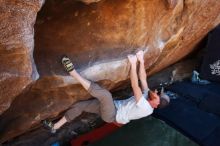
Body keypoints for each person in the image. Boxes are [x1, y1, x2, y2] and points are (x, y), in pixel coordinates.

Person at [43, 50, 169, 133]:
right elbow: (142, 78)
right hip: (113, 109)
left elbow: (135, 86)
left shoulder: (146, 108)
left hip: (112, 115)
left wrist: (133, 63)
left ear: (156, 104)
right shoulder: (148, 96)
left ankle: (73, 72)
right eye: (159, 92)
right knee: (80, 106)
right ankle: (55, 127)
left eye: (158, 95)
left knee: (105, 95)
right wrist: (141, 61)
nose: (157, 92)